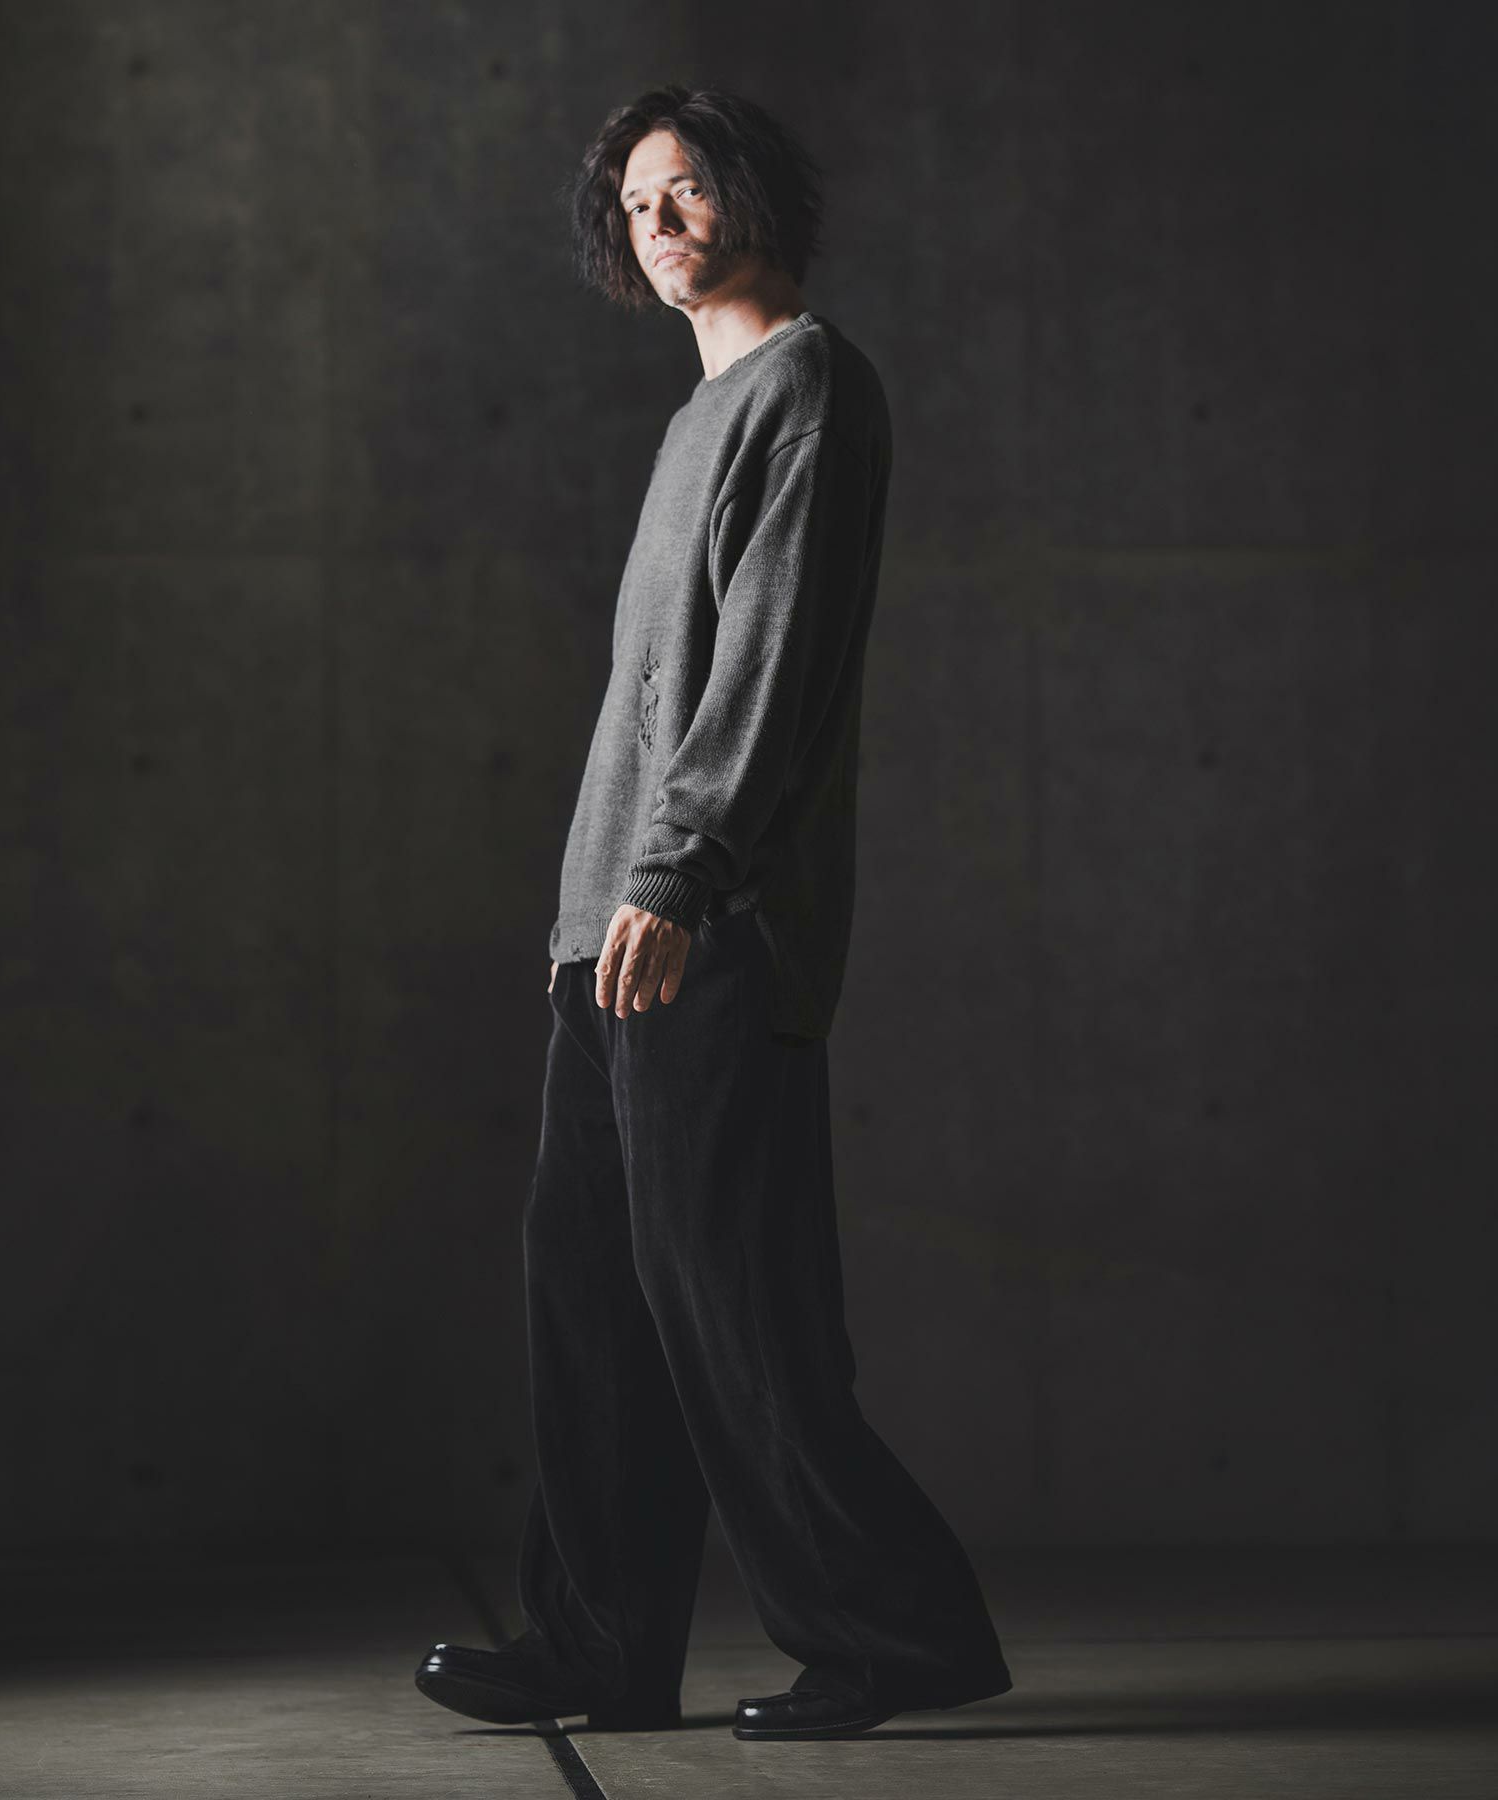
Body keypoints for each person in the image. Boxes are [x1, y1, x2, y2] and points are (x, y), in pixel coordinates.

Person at [415, 83, 1013, 1743]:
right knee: (594, 1313)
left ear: (749, 194)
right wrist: (594, 902)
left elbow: (772, 663)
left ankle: (894, 1633)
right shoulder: (702, 415)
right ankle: (601, 1649)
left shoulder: (809, 388)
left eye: (682, 190)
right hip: (602, 937)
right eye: (634, 206)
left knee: (735, 1314)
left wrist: (680, 873)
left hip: (706, 925)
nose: (659, 224)